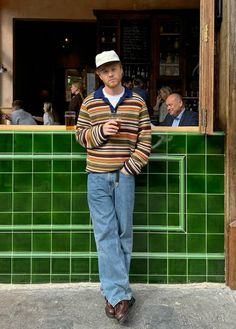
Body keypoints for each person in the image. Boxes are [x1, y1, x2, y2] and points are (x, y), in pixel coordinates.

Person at [75, 50, 152, 324]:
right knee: (105, 233)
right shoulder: (89, 103)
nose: (110, 74)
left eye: (114, 68)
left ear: (121, 69)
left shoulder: (137, 101)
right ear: (98, 74)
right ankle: (120, 296)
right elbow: (81, 136)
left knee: (122, 234)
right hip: (96, 177)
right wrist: (100, 132)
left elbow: (145, 138)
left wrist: (130, 167)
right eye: (105, 70)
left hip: (124, 176)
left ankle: (112, 294)